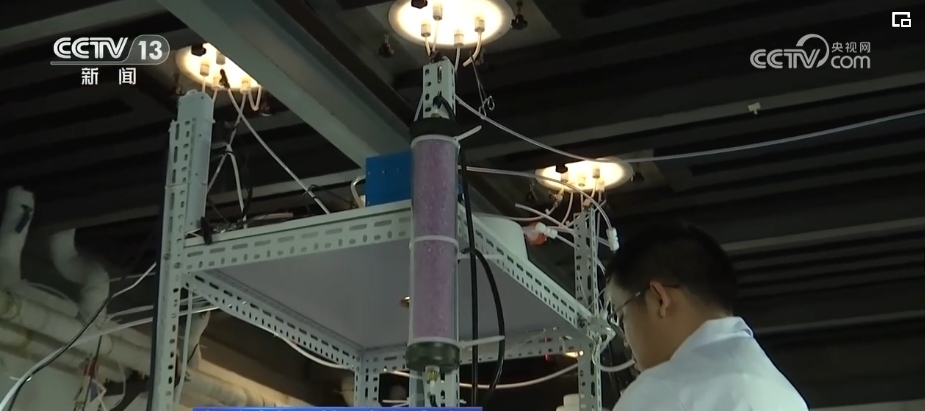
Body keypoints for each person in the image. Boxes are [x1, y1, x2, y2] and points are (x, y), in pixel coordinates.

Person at [606, 222, 808, 411]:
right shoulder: (788, 397)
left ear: (660, 299)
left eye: (622, 315)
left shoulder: (659, 394)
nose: (625, 341)